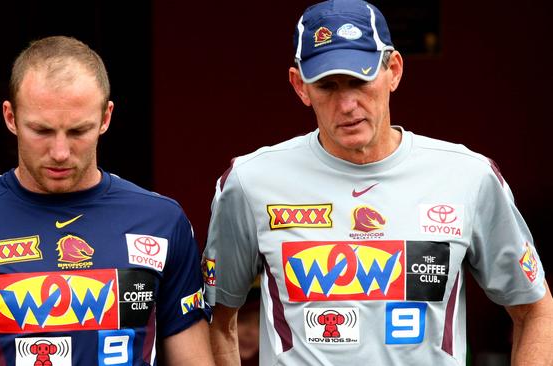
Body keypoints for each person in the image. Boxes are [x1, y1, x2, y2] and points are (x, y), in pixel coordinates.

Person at [202, 0, 553, 365]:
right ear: (300, 86)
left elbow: (536, 310)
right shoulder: (251, 181)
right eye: (327, 86)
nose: (347, 104)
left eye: (360, 79)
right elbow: (216, 321)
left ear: (394, 71)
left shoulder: (468, 176)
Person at [0, 35, 213, 365]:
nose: (60, 153)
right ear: (10, 117)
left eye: (78, 131)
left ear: (106, 118)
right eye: (42, 131)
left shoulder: (162, 221)